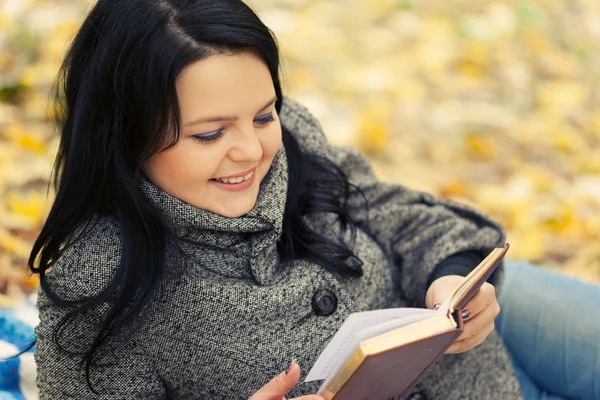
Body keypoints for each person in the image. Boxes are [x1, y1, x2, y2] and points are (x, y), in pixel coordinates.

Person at [26, 0, 600, 399]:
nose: (251, 150)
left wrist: (454, 278)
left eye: (262, 114)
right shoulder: (92, 286)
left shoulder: (294, 136)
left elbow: (397, 214)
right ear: (124, 133)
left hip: (495, 338)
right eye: (209, 134)